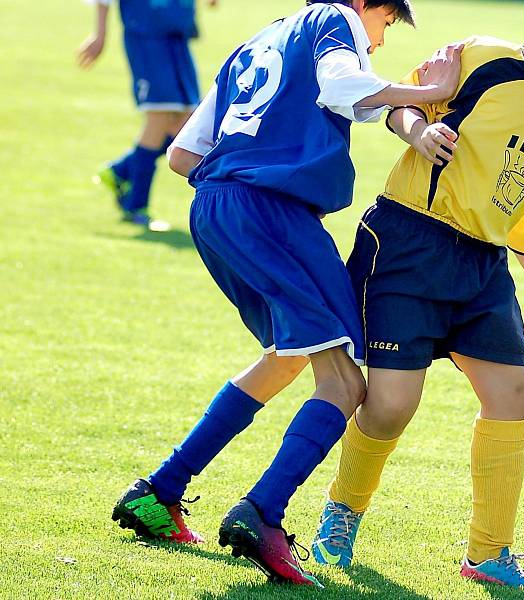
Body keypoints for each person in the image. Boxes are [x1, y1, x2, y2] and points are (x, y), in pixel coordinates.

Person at [111, 0, 462, 586]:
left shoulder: (256, 43)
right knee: (346, 377)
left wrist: (239, 188)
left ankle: (159, 492)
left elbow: (181, 155)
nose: (377, 40)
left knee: (287, 357)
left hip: (214, 208)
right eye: (387, 23)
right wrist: (427, 93)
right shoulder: (336, 20)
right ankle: (262, 513)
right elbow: (343, 84)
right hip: (273, 213)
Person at [311, 0, 524, 593]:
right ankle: (341, 513)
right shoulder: (485, 59)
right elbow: (400, 102)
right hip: (411, 241)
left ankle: (489, 552)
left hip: (483, 265)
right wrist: (419, 131)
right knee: (391, 405)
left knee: (512, 389)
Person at [77, 0, 217, 230]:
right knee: (159, 119)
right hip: (147, 36)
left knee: (187, 122)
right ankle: (136, 205)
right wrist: (99, 33)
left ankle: (120, 171)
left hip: (176, 33)